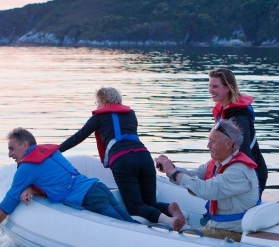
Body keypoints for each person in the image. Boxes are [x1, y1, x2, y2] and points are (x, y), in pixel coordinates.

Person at [0, 127, 135, 247]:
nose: (9, 155)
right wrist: (31, 188)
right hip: (98, 187)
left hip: (90, 197)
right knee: (131, 225)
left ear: (25, 144)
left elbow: (8, 203)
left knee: (128, 233)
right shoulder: (50, 153)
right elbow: (56, 180)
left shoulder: (27, 168)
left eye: (12, 149)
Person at [58, 87, 185, 229]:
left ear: (104, 102)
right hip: (144, 156)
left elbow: (78, 137)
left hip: (123, 161)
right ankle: (169, 208)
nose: (97, 106)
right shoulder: (130, 114)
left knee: (135, 207)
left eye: (97, 102)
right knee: (150, 202)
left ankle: (169, 221)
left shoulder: (98, 118)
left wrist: (56, 150)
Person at [154, 119, 259, 241]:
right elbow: (194, 175)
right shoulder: (218, 162)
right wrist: (170, 168)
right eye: (209, 140)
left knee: (179, 237)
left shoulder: (239, 171)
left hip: (231, 233)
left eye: (212, 141)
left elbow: (207, 190)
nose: (208, 145)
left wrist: (175, 173)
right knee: (180, 232)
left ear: (228, 144)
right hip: (217, 227)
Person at [208, 68, 268, 195]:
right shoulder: (224, 111)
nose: (210, 90)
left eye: (215, 86)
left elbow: (243, 153)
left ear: (228, 88)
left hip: (250, 176)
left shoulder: (239, 117)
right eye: (210, 86)